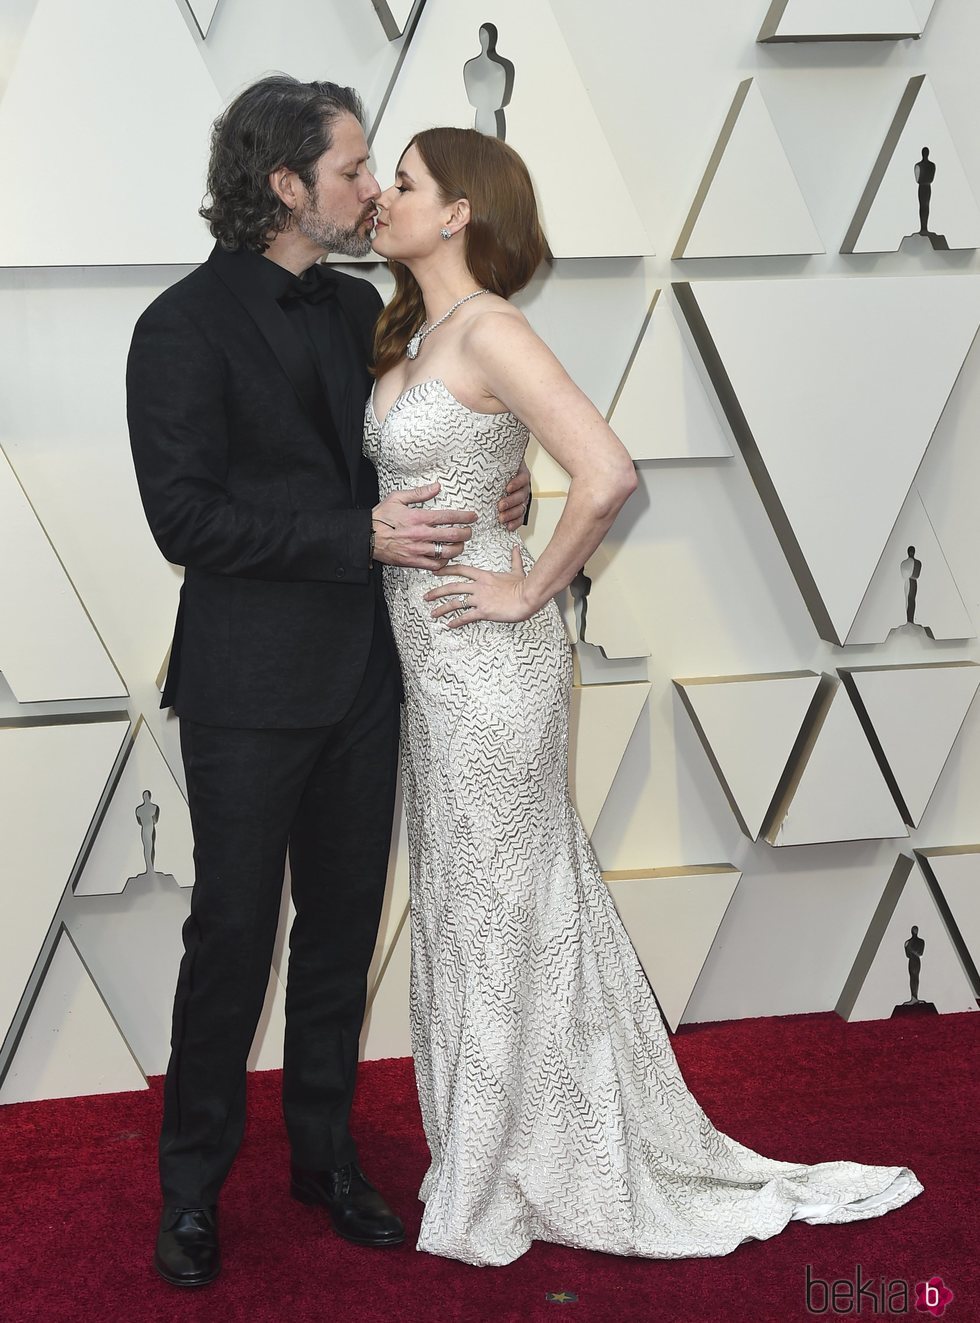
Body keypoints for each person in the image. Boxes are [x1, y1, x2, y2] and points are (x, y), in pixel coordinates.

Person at [365, 126, 924, 1267]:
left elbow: (607, 471)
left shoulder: (490, 329)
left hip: (491, 673)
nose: (384, 197)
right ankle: (499, 1144)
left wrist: (528, 592)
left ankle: (514, 1157)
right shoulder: (413, 336)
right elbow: (478, 471)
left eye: (407, 183)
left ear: (459, 210)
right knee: (476, 904)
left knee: (501, 902)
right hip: (430, 675)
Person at [126, 77, 530, 1288]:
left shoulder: (367, 307)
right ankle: (190, 1192)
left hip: (370, 677)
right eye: (354, 170)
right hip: (249, 688)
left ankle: (323, 1160)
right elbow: (184, 520)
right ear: (287, 185)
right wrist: (349, 539)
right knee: (232, 938)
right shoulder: (178, 327)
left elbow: (441, 428)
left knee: (342, 937)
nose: (371, 189)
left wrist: (505, 487)